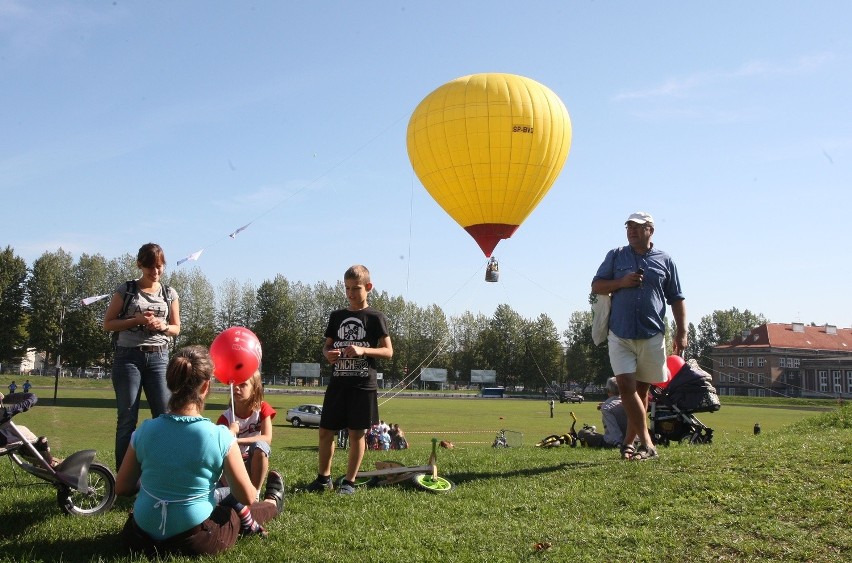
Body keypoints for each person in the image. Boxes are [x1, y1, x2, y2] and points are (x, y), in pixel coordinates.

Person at [115, 346, 284, 557]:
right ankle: (271, 503)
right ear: (206, 386)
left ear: (169, 383)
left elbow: (121, 487)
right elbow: (247, 496)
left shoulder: (145, 430)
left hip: (139, 539)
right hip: (195, 540)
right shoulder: (220, 436)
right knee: (232, 511)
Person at [591, 212, 686, 461]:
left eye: (638, 227)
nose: (631, 230)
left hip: (651, 334)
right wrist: (621, 282)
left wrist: (682, 331)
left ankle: (628, 444)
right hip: (619, 333)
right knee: (625, 387)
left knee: (642, 392)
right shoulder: (616, 255)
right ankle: (648, 443)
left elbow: (676, 298)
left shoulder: (666, 260)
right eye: (628, 226)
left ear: (650, 230)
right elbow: (596, 285)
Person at [306, 265, 393, 495]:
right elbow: (327, 346)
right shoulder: (337, 317)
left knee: (357, 434)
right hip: (338, 382)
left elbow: (388, 351)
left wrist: (364, 351)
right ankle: (323, 479)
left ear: (369, 287)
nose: (351, 293)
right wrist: (328, 355)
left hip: (363, 384)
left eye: (356, 288)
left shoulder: (376, 317)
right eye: (347, 288)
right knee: (325, 431)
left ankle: (349, 482)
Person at [103, 243, 181, 470]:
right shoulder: (126, 290)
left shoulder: (169, 294)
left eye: (159, 267)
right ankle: (124, 479)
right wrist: (136, 320)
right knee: (127, 420)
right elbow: (108, 324)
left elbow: (176, 328)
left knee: (166, 418)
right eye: (150, 267)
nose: (155, 272)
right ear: (140, 265)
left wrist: (163, 326)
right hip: (128, 358)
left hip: (159, 358)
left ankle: (164, 473)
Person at [216, 370, 276, 495]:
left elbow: (267, 438)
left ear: (254, 389)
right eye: (234, 384)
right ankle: (234, 494)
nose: (237, 388)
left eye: (243, 385)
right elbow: (218, 450)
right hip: (233, 465)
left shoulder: (263, 409)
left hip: (252, 461)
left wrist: (237, 441)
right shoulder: (226, 418)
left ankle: (255, 494)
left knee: (261, 446)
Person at [577, 377, 629, 448]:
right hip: (630, 440)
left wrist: (618, 444)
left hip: (614, 443)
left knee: (582, 433)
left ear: (608, 390)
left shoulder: (606, 407)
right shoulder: (628, 402)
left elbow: (614, 430)